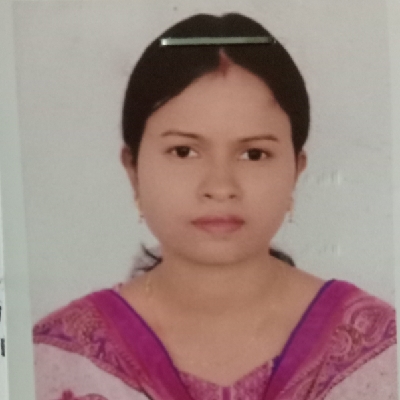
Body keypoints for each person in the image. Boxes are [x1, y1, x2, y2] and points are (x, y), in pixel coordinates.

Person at [32, 13, 397, 400]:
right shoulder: (57, 359)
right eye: (184, 151)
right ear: (133, 169)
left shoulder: (382, 351)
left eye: (254, 154)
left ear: (296, 169)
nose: (220, 187)